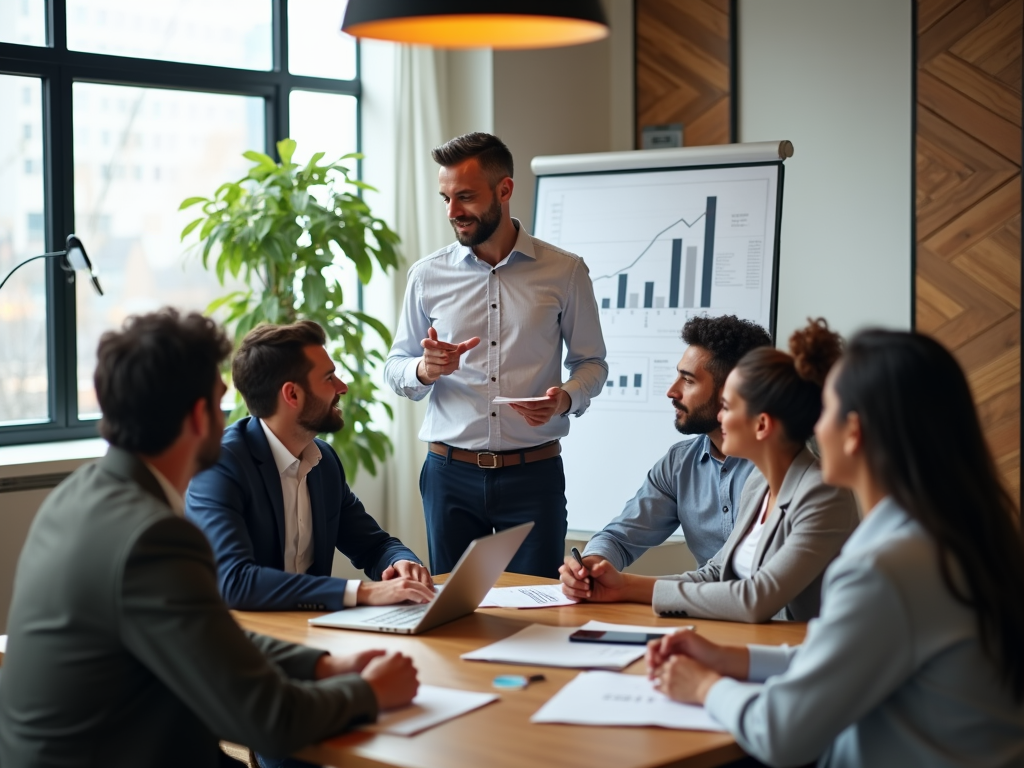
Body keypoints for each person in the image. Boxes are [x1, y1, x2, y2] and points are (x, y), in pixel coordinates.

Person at [0, 309, 419, 768]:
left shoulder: (79, 496)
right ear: (200, 416)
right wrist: (369, 691)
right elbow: (268, 719)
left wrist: (321, 665)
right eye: (222, 400)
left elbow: (208, 637)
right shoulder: (152, 537)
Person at [646, 329, 1024, 766]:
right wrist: (732, 658)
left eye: (824, 410)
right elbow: (842, 655)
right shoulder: (955, 533)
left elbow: (780, 733)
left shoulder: (885, 567)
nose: (814, 425)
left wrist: (704, 686)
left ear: (853, 432)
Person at [383, 132, 608, 578]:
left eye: (465, 197)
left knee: (536, 612)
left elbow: (592, 364)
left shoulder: (565, 272)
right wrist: (424, 370)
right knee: (453, 614)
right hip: (449, 476)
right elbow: (395, 367)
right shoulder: (427, 276)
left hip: (533, 477)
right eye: (445, 198)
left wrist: (563, 398)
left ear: (504, 190)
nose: (452, 212)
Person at [562, 319, 860, 622]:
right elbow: (717, 573)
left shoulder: (822, 490)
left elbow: (753, 598)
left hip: (798, 650)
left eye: (728, 407)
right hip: (739, 635)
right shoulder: (760, 484)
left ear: (761, 423)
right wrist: (613, 581)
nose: (671, 391)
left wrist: (627, 588)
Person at [186, 321, 435, 612]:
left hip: (310, 630)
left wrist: (400, 563)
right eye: (329, 378)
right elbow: (235, 582)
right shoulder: (222, 465)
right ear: (292, 395)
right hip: (243, 639)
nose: (342, 387)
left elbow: (373, 545)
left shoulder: (323, 461)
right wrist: (363, 592)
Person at [576, 315, 772, 573]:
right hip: (701, 611)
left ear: (732, 391)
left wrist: (625, 587)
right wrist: (591, 566)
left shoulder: (775, 467)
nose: (672, 391)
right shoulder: (680, 463)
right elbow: (620, 537)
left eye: (688, 381)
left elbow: (727, 575)